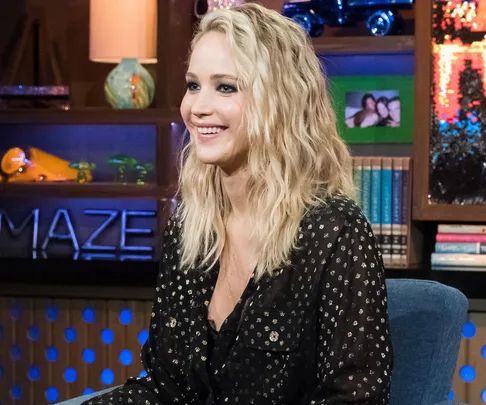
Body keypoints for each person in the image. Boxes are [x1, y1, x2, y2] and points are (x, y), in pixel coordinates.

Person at [83, 3, 393, 405]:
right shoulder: (191, 227)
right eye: (193, 85)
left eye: (225, 87)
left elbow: (355, 398)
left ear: (279, 101)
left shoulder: (333, 232)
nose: (197, 108)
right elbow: (166, 387)